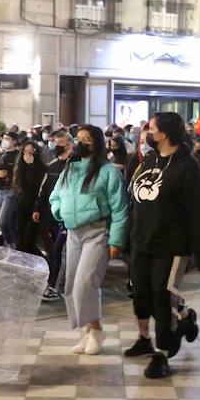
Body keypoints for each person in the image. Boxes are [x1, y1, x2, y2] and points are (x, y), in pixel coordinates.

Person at [127, 113, 200, 379]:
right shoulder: (149, 159)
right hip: (142, 240)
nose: (147, 133)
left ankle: (162, 353)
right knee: (141, 293)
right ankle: (184, 317)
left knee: (162, 296)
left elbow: (198, 211)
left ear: (164, 134)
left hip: (172, 244)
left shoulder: (188, 166)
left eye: (151, 129)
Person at [48, 124, 129, 356]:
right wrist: (60, 212)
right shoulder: (69, 170)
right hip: (73, 234)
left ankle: (96, 330)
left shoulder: (108, 172)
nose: (81, 142)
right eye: (79, 138)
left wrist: (116, 241)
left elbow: (120, 209)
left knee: (86, 282)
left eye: (87, 139)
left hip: (97, 232)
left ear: (97, 144)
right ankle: (87, 330)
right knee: (72, 285)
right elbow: (55, 197)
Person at [33, 129, 72, 301]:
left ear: (70, 145)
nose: (56, 146)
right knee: (54, 249)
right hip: (51, 212)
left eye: (60, 143)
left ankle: (56, 284)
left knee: (59, 251)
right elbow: (44, 189)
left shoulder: (75, 165)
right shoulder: (53, 166)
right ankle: (56, 281)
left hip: (68, 216)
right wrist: (37, 208)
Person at [11, 139, 47, 255]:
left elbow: (36, 188)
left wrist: (31, 166)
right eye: (26, 152)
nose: (28, 155)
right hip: (22, 207)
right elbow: (19, 188)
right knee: (21, 241)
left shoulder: (42, 169)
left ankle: (45, 265)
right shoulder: (20, 168)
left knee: (29, 242)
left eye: (31, 152)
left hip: (34, 208)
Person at [0, 132, 20, 248]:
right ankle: (6, 246)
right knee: (3, 222)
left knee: (3, 222)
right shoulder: (0, 155)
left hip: (11, 190)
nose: (4, 141)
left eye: (7, 139)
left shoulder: (18, 155)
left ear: (14, 141)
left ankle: (11, 245)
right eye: (3, 138)